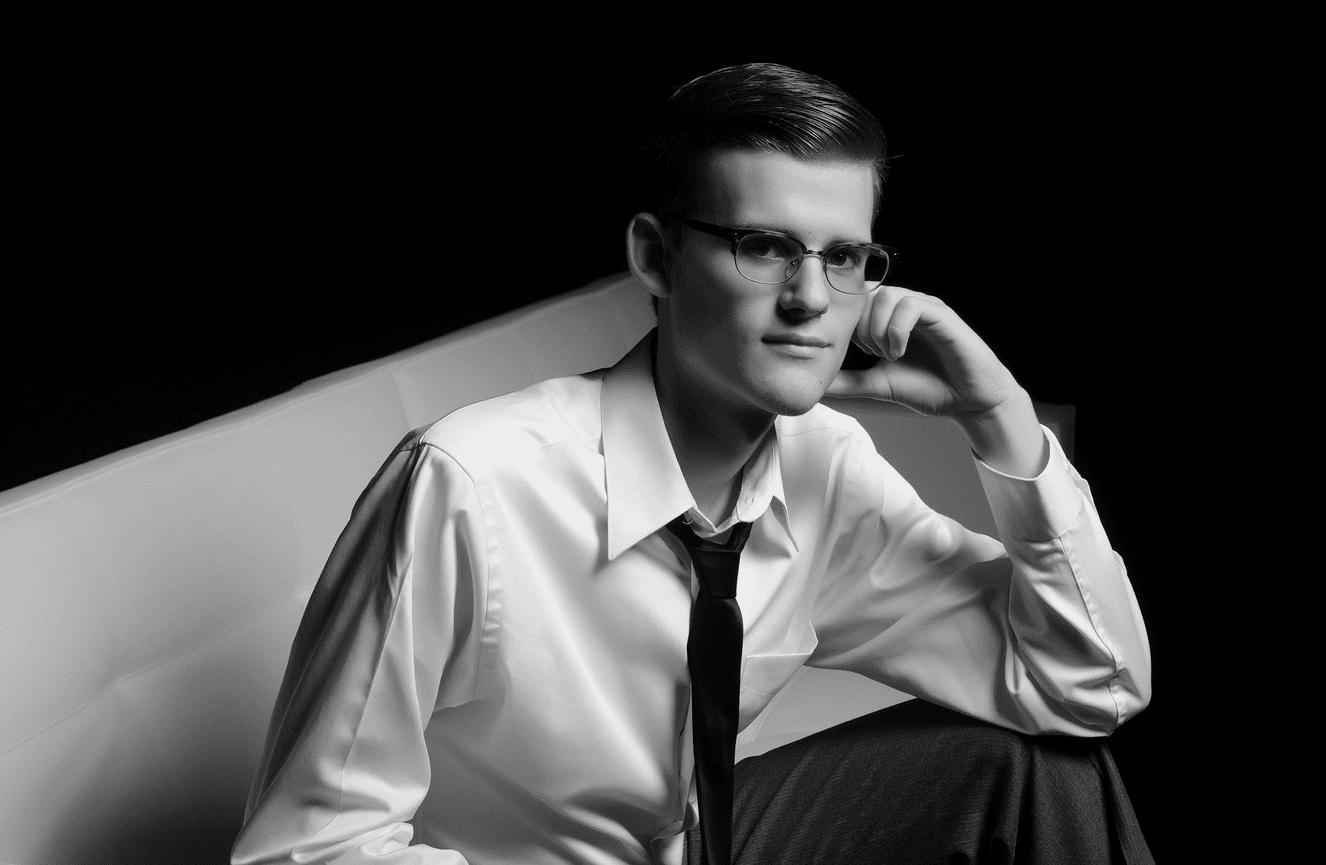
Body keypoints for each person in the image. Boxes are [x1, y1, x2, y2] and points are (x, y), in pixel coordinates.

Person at [232, 63, 1153, 864]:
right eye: (764, 246)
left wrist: (1003, 421)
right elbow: (308, 847)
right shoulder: (467, 483)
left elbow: (1089, 685)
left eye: (843, 257)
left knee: (1035, 765)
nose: (811, 298)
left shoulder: (825, 469)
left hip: (703, 842)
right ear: (655, 257)